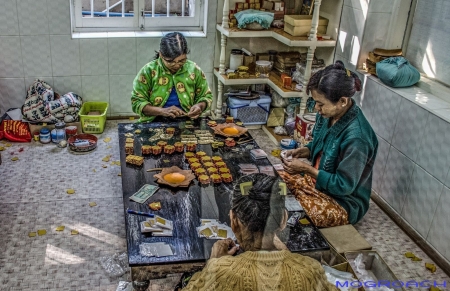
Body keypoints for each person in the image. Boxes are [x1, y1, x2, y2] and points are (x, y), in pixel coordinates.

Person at [182, 174, 338, 291]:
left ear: (233, 220)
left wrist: (213, 263)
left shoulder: (220, 273)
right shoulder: (310, 271)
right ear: (283, 220)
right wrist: (291, 257)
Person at [281, 61, 378, 226]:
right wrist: (304, 150)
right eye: (315, 102)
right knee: (275, 182)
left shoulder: (357, 138)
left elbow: (343, 186)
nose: (317, 108)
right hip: (317, 184)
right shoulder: (328, 115)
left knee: (302, 215)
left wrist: (307, 169)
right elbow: (321, 145)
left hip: (342, 201)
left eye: (321, 104)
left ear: (342, 101)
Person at [131, 32, 212, 122]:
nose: (176, 65)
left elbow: (206, 96)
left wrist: (199, 106)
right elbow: (137, 102)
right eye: (170, 61)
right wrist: (162, 111)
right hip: (153, 121)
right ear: (161, 55)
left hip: (187, 121)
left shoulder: (194, 70)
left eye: (182, 61)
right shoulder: (148, 71)